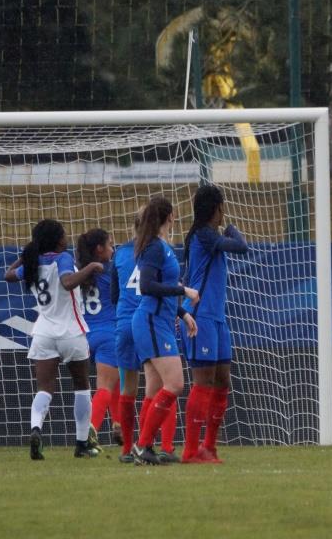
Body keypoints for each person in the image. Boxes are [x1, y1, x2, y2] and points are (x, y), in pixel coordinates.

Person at [5, 219, 102, 460]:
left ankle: (36, 429)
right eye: (63, 234)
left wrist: (25, 256)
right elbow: (67, 282)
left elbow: (7, 275)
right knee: (82, 386)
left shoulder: (33, 263)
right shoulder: (63, 258)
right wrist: (91, 267)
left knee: (44, 389)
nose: (67, 237)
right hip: (70, 332)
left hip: (44, 333)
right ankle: (82, 444)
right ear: (58, 240)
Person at [179, 185, 249, 464]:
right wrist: (231, 228)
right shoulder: (204, 235)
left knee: (222, 381)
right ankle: (190, 451)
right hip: (200, 317)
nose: (224, 212)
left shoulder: (207, 236)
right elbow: (241, 246)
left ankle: (209, 447)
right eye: (222, 207)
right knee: (203, 381)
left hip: (217, 318)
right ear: (216, 208)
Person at [130, 196, 199, 465]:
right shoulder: (155, 248)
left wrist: (182, 313)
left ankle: (143, 448)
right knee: (175, 384)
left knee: (154, 389)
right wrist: (184, 290)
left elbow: (159, 288)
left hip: (159, 320)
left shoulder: (161, 246)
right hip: (152, 322)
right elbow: (147, 287)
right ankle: (143, 446)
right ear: (170, 216)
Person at [75, 228, 121, 452]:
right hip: (108, 334)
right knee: (105, 386)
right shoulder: (110, 270)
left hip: (85, 335)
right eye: (110, 245)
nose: (113, 249)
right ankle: (88, 434)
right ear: (99, 249)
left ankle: (119, 426)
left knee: (115, 379)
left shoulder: (79, 272)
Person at [111, 210, 145, 463]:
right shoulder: (159, 251)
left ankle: (126, 449)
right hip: (149, 322)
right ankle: (157, 445)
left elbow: (114, 295)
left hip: (124, 322)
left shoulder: (120, 253)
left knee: (128, 388)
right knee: (164, 385)